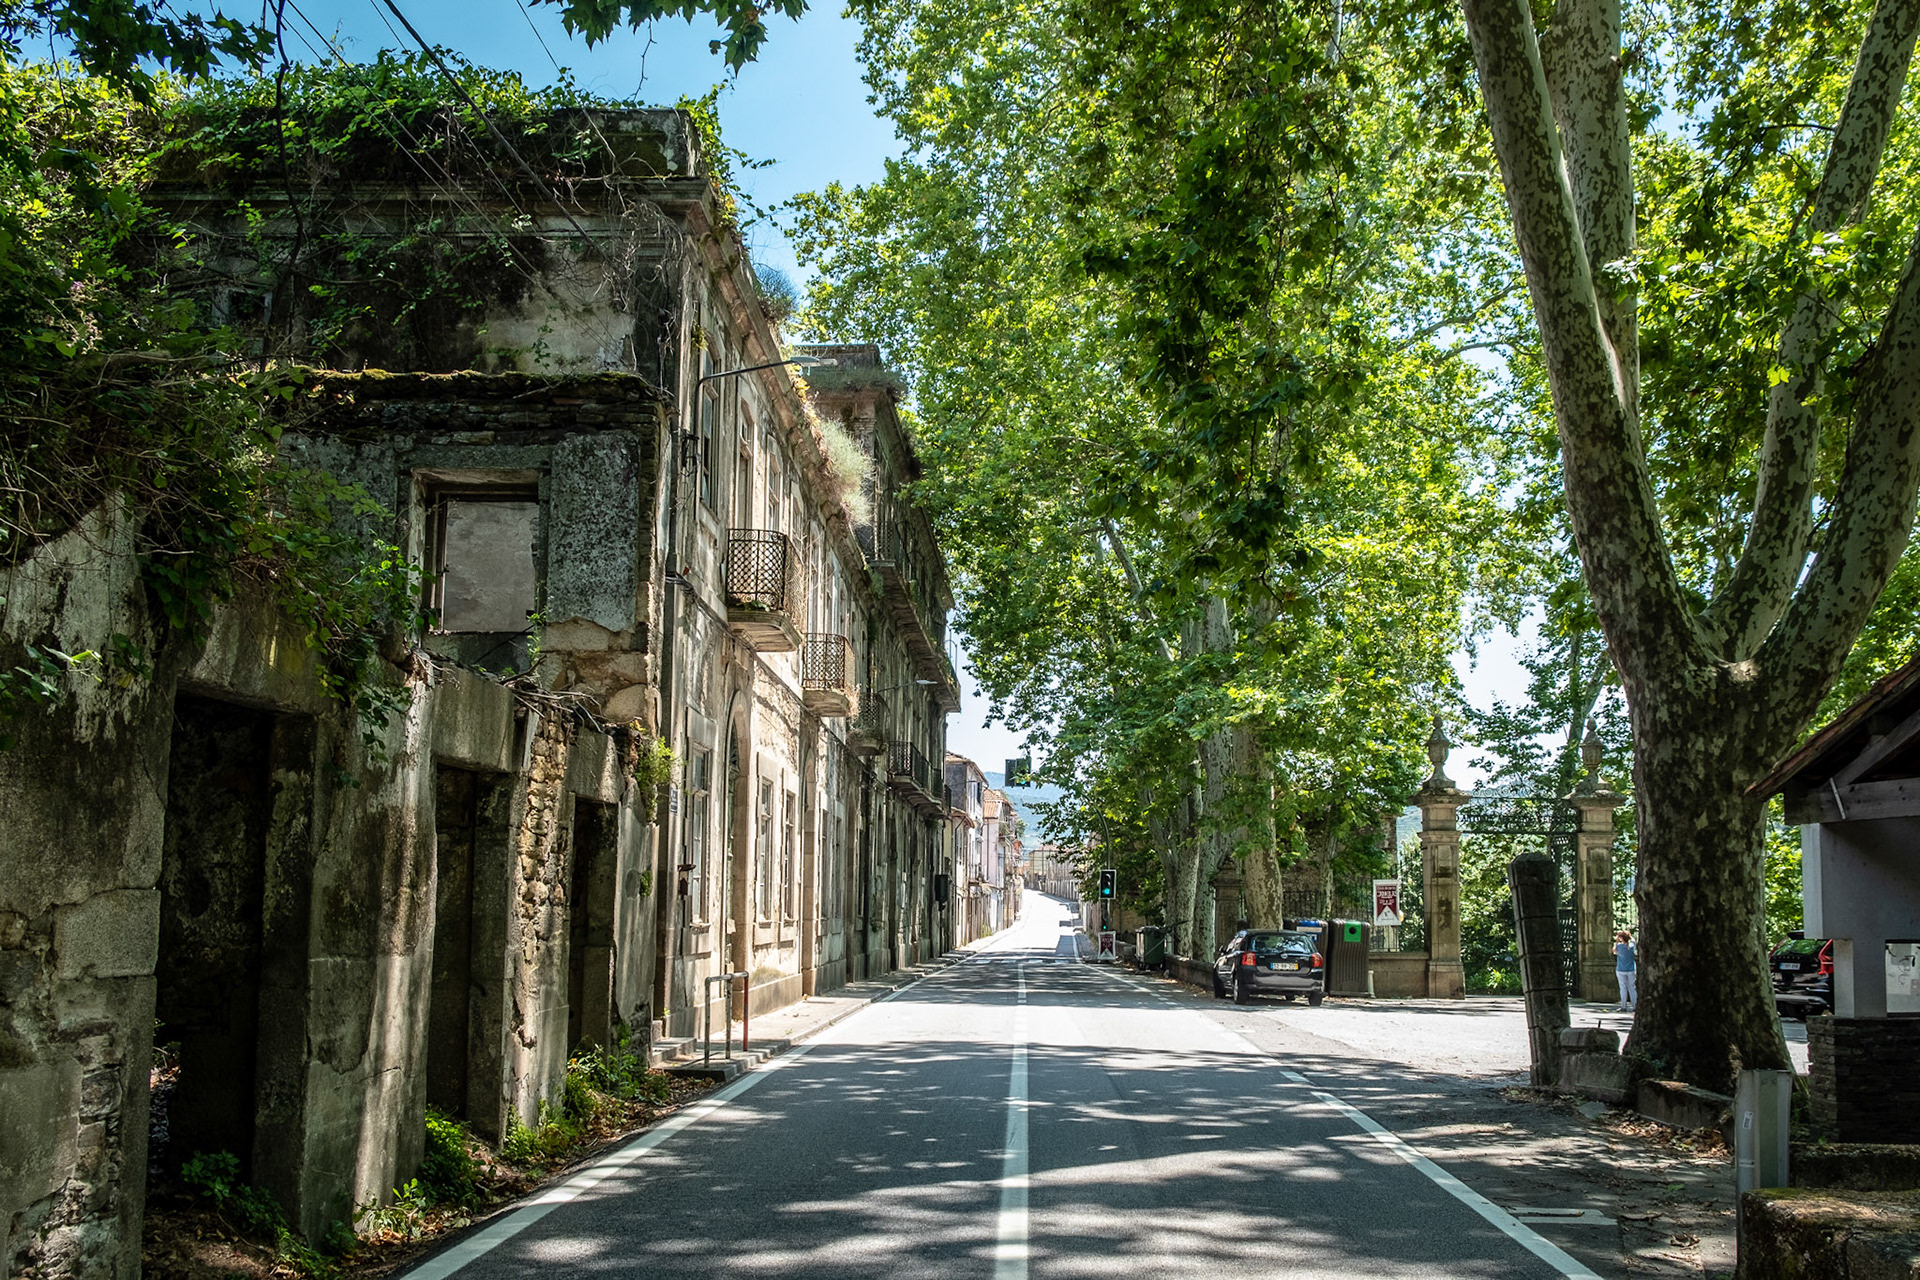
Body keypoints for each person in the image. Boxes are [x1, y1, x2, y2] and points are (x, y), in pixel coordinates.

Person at [1613, 929, 1638, 1011]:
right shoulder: (1631, 946)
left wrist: (1616, 941)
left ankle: (1624, 1006)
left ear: (1621, 938)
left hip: (1621, 969)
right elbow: (1633, 940)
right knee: (1632, 988)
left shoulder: (1619, 946)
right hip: (1631, 969)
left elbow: (1614, 951)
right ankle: (1635, 1006)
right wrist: (1629, 936)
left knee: (1623, 988)